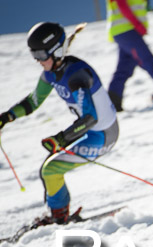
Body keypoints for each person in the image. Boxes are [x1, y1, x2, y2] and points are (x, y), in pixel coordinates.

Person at [0, 22, 119, 226]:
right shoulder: (51, 73)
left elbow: (91, 118)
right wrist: (6, 117)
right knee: (49, 168)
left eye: (40, 55)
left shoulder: (76, 75)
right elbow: (33, 101)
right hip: (90, 132)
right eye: (34, 55)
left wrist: (61, 139)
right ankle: (59, 215)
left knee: (50, 169)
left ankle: (59, 219)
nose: (37, 61)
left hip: (103, 135)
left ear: (56, 52)